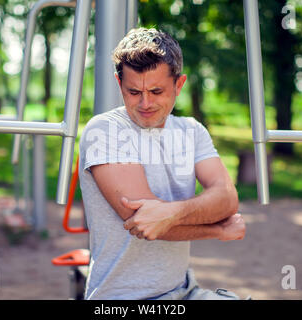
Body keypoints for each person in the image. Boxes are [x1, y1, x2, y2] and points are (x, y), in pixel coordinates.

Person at [78, 27, 246, 300]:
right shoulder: (105, 130)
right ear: (119, 84)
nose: (145, 103)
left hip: (183, 289)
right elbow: (144, 223)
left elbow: (227, 197)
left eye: (156, 91)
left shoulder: (192, 131)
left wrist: (172, 212)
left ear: (179, 85)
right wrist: (216, 228)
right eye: (134, 92)